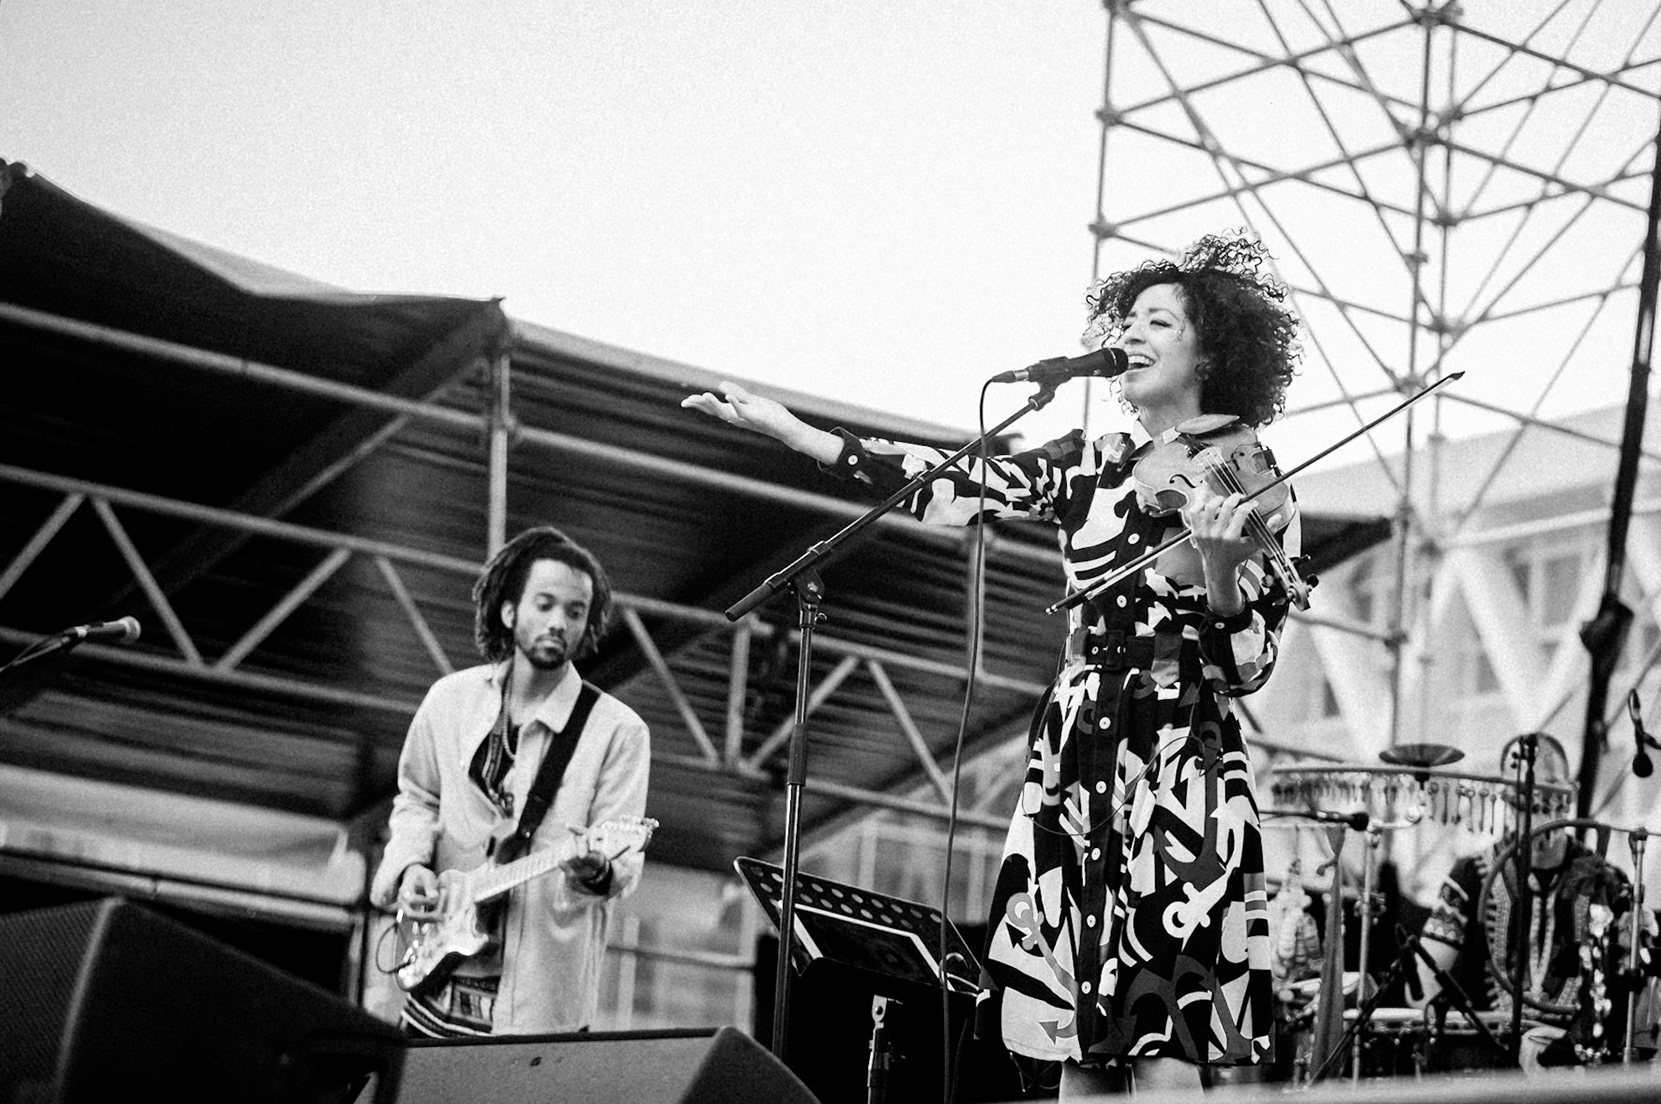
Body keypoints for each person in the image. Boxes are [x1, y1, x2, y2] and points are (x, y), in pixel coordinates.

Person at [683, 231, 1304, 1095]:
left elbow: (1247, 668)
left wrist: (1224, 574)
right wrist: (795, 434)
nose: (1133, 333)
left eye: (1158, 321)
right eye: (1127, 318)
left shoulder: (1252, 484)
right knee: (1074, 1061)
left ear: (1212, 351)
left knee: (1164, 1047)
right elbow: (947, 484)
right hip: (1076, 760)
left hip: (1177, 764)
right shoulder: (1090, 469)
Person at [371, 525, 654, 1036]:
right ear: (509, 612)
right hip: (435, 989)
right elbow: (417, 797)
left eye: (574, 612)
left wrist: (594, 869)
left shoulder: (618, 731)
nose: (558, 623)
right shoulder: (449, 700)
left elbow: (621, 862)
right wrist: (411, 865)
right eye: (544, 605)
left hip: (536, 1007)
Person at [1415, 734, 1651, 1064]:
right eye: (1524, 796)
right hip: (1490, 1062)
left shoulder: (1607, 881)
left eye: (1549, 790)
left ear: (1571, 793)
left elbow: (1639, 987)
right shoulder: (1469, 874)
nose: (1536, 806)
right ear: (1505, 795)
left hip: (1576, 1065)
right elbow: (1426, 983)